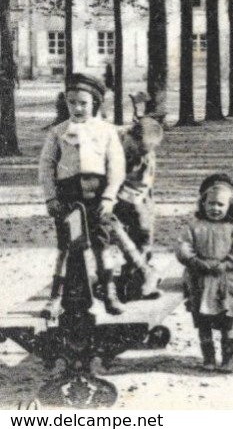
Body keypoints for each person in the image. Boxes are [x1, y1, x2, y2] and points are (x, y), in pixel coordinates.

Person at [38, 74, 127, 316]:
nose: (77, 108)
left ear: (95, 104)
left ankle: (109, 292)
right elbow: (46, 165)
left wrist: (109, 197)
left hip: (97, 198)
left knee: (102, 245)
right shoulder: (58, 132)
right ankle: (55, 297)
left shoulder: (106, 132)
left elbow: (116, 167)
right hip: (69, 198)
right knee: (67, 246)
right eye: (71, 102)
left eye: (83, 103)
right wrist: (51, 197)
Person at [177, 174, 233, 372]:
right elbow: (183, 247)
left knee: (226, 323)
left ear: (230, 207)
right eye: (210, 204)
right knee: (203, 324)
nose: (215, 209)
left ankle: (227, 359)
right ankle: (208, 358)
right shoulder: (194, 227)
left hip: (223, 282)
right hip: (199, 279)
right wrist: (194, 261)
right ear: (203, 204)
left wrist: (226, 264)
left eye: (220, 205)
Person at [113, 101, 164, 302]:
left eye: (144, 152)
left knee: (143, 230)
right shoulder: (112, 138)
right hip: (105, 191)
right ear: (130, 134)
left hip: (133, 194)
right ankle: (137, 272)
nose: (137, 155)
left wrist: (128, 202)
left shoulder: (146, 157)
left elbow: (141, 188)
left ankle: (136, 276)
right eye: (136, 149)